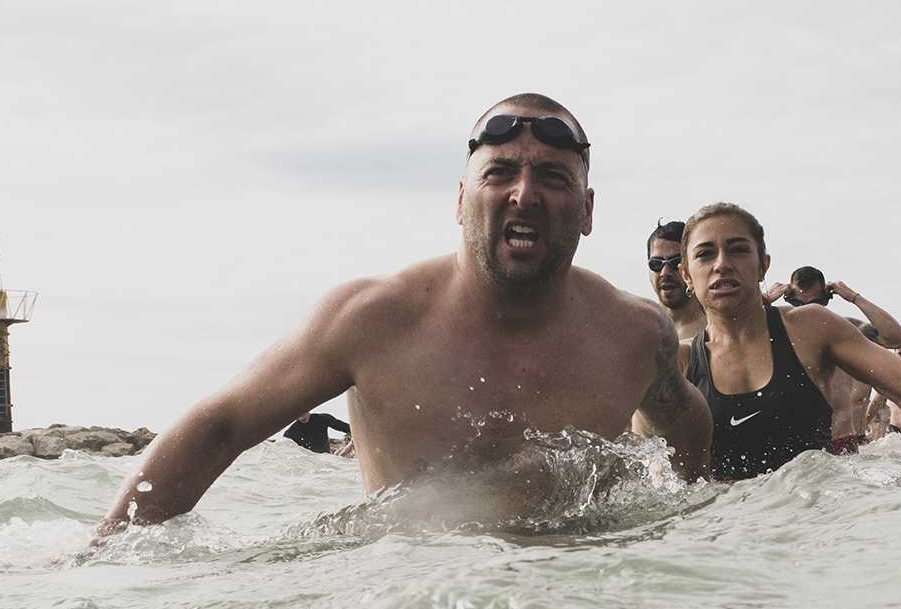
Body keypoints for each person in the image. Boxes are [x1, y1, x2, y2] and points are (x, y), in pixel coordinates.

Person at [97, 94, 711, 535]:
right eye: (499, 173)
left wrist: (680, 536)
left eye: (552, 176)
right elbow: (219, 426)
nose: (524, 193)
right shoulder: (372, 319)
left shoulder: (633, 333)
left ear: (586, 210)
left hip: (579, 601)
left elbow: (688, 426)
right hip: (414, 605)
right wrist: (104, 565)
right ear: (461, 198)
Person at [682, 202, 901, 477]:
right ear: (687, 274)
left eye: (738, 249)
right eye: (705, 254)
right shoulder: (680, 364)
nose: (722, 264)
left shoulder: (808, 328)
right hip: (727, 538)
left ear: (764, 263)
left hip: (810, 519)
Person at [772, 268, 901, 453]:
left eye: (816, 303)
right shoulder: (775, 333)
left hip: (842, 441)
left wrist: (854, 297)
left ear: (827, 299)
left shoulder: (847, 332)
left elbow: (897, 337)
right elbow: (725, 338)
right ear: (789, 300)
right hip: (794, 442)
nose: (809, 310)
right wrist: (764, 299)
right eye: (798, 303)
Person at [645, 218, 704, 354]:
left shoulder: (717, 330)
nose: (665, 272)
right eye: (656, 264)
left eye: (676, 262)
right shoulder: (638, 331)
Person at [282, 410, 351, 454]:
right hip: (309, 461)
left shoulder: (322, 418)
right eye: (298, 415)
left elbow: (346, 427)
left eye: (303, 413)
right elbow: (282, 448)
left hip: (327, 458)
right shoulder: (291, 432)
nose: (302, 417)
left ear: (308, 409)